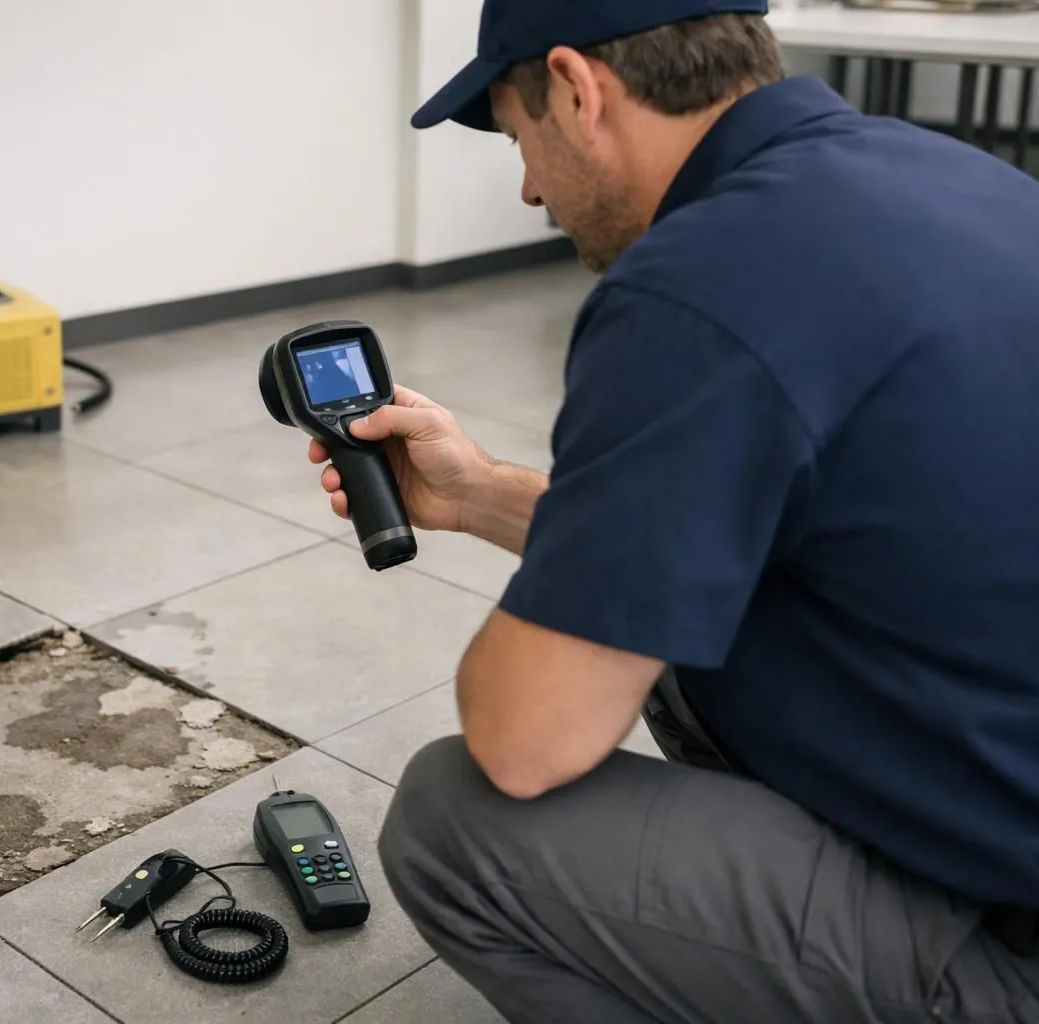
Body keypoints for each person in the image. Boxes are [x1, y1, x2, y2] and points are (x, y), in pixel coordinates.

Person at [306, 1, 1039, 1020]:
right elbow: (737, 519)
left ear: (575, 86)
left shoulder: (699, 281)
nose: (528, 188)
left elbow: (525, 740)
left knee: (452, 822)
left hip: (1014, 949)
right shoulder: (952, 176)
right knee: (687, 627)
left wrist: (546, 602)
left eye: (522, 141)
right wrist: (475, 494)